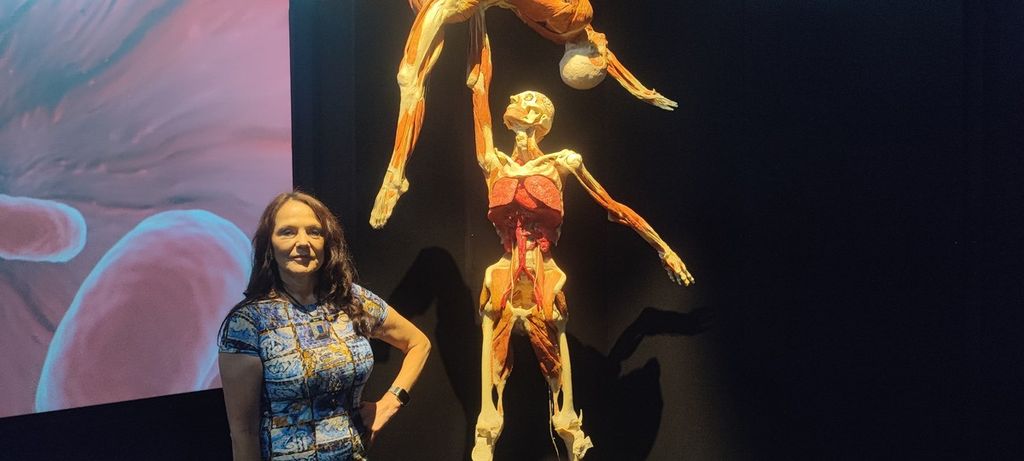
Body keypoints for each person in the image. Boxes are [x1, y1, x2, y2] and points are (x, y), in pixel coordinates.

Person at [218, 191, 430, 460]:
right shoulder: (247, 323)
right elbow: (243, 432)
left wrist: (390, 403)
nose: (303, 242)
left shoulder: (353, 300)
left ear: (327, 242)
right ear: (269, 244)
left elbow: (418, 344)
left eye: (314, 232)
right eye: (287, 232)